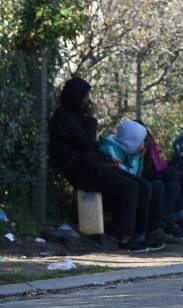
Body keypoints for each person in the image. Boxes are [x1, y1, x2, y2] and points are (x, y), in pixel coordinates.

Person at [49, 77, 148, 252]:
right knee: (130, 188)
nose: (89, 102)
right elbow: (86, 142)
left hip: (93, 165)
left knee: (142, 185)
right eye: (85, 97)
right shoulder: (63, 118)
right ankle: (123, 236)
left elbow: (90, 145)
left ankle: (141, 234)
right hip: (80, 170)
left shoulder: (77, 117)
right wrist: (92, 119)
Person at [97, 119, 166, 251]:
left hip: (125, 189)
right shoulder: (109, 149)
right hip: (110, 193)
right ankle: (127, 236)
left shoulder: (129, 150)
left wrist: (138, 157)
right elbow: (127, 176)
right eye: (141, 141)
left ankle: (145, 234)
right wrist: (137, 157)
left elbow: (136, 176)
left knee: (152, 186)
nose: (142, 145)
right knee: (139, 187)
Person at [139, 124, 183, 241]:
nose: (149, 138)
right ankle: (178, 222)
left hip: (161, 178)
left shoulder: (153, 150)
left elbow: (161, 166)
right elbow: (146, 173)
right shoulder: (138, 150)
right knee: (170, 176)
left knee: (176, 184)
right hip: (145, 180)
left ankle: (179, 223)